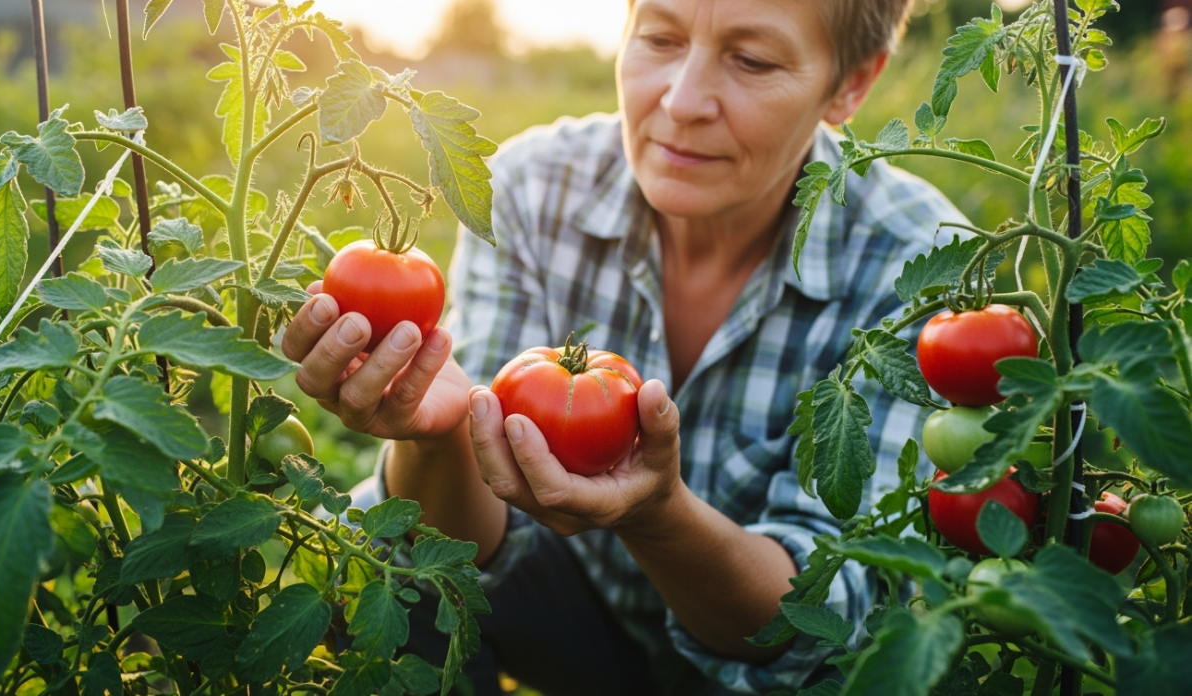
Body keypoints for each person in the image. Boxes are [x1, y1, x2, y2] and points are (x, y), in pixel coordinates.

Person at [283, 0, 962, 692]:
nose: (682, 100)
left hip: (767, 668)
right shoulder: (534, 186)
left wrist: (660, 517)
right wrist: (440, 436)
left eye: (751, 60)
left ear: (850, 83)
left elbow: (823, 615)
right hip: (579, 621)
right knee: (399, 564)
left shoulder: (920, 264)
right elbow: (469, 543)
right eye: (661, 38)